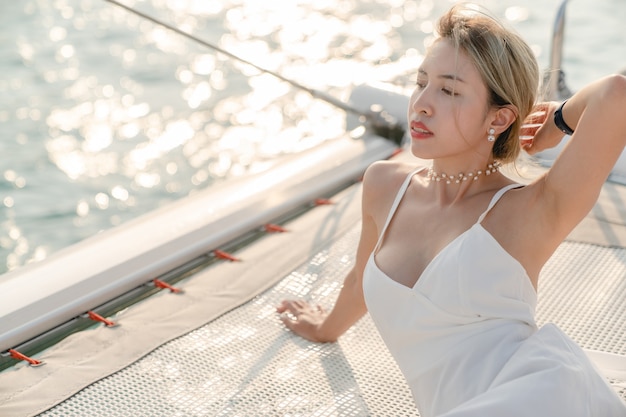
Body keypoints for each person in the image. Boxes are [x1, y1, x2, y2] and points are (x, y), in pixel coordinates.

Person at [277, 4, 626, 416]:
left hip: (537, 396)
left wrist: (558, 119)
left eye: (449, 90)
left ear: (499, 117)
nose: (421, 104)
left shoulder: (529, 210)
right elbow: (360, 278)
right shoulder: (385, 184)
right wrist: (326, 327)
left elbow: (616, 94)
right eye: (421, 82)